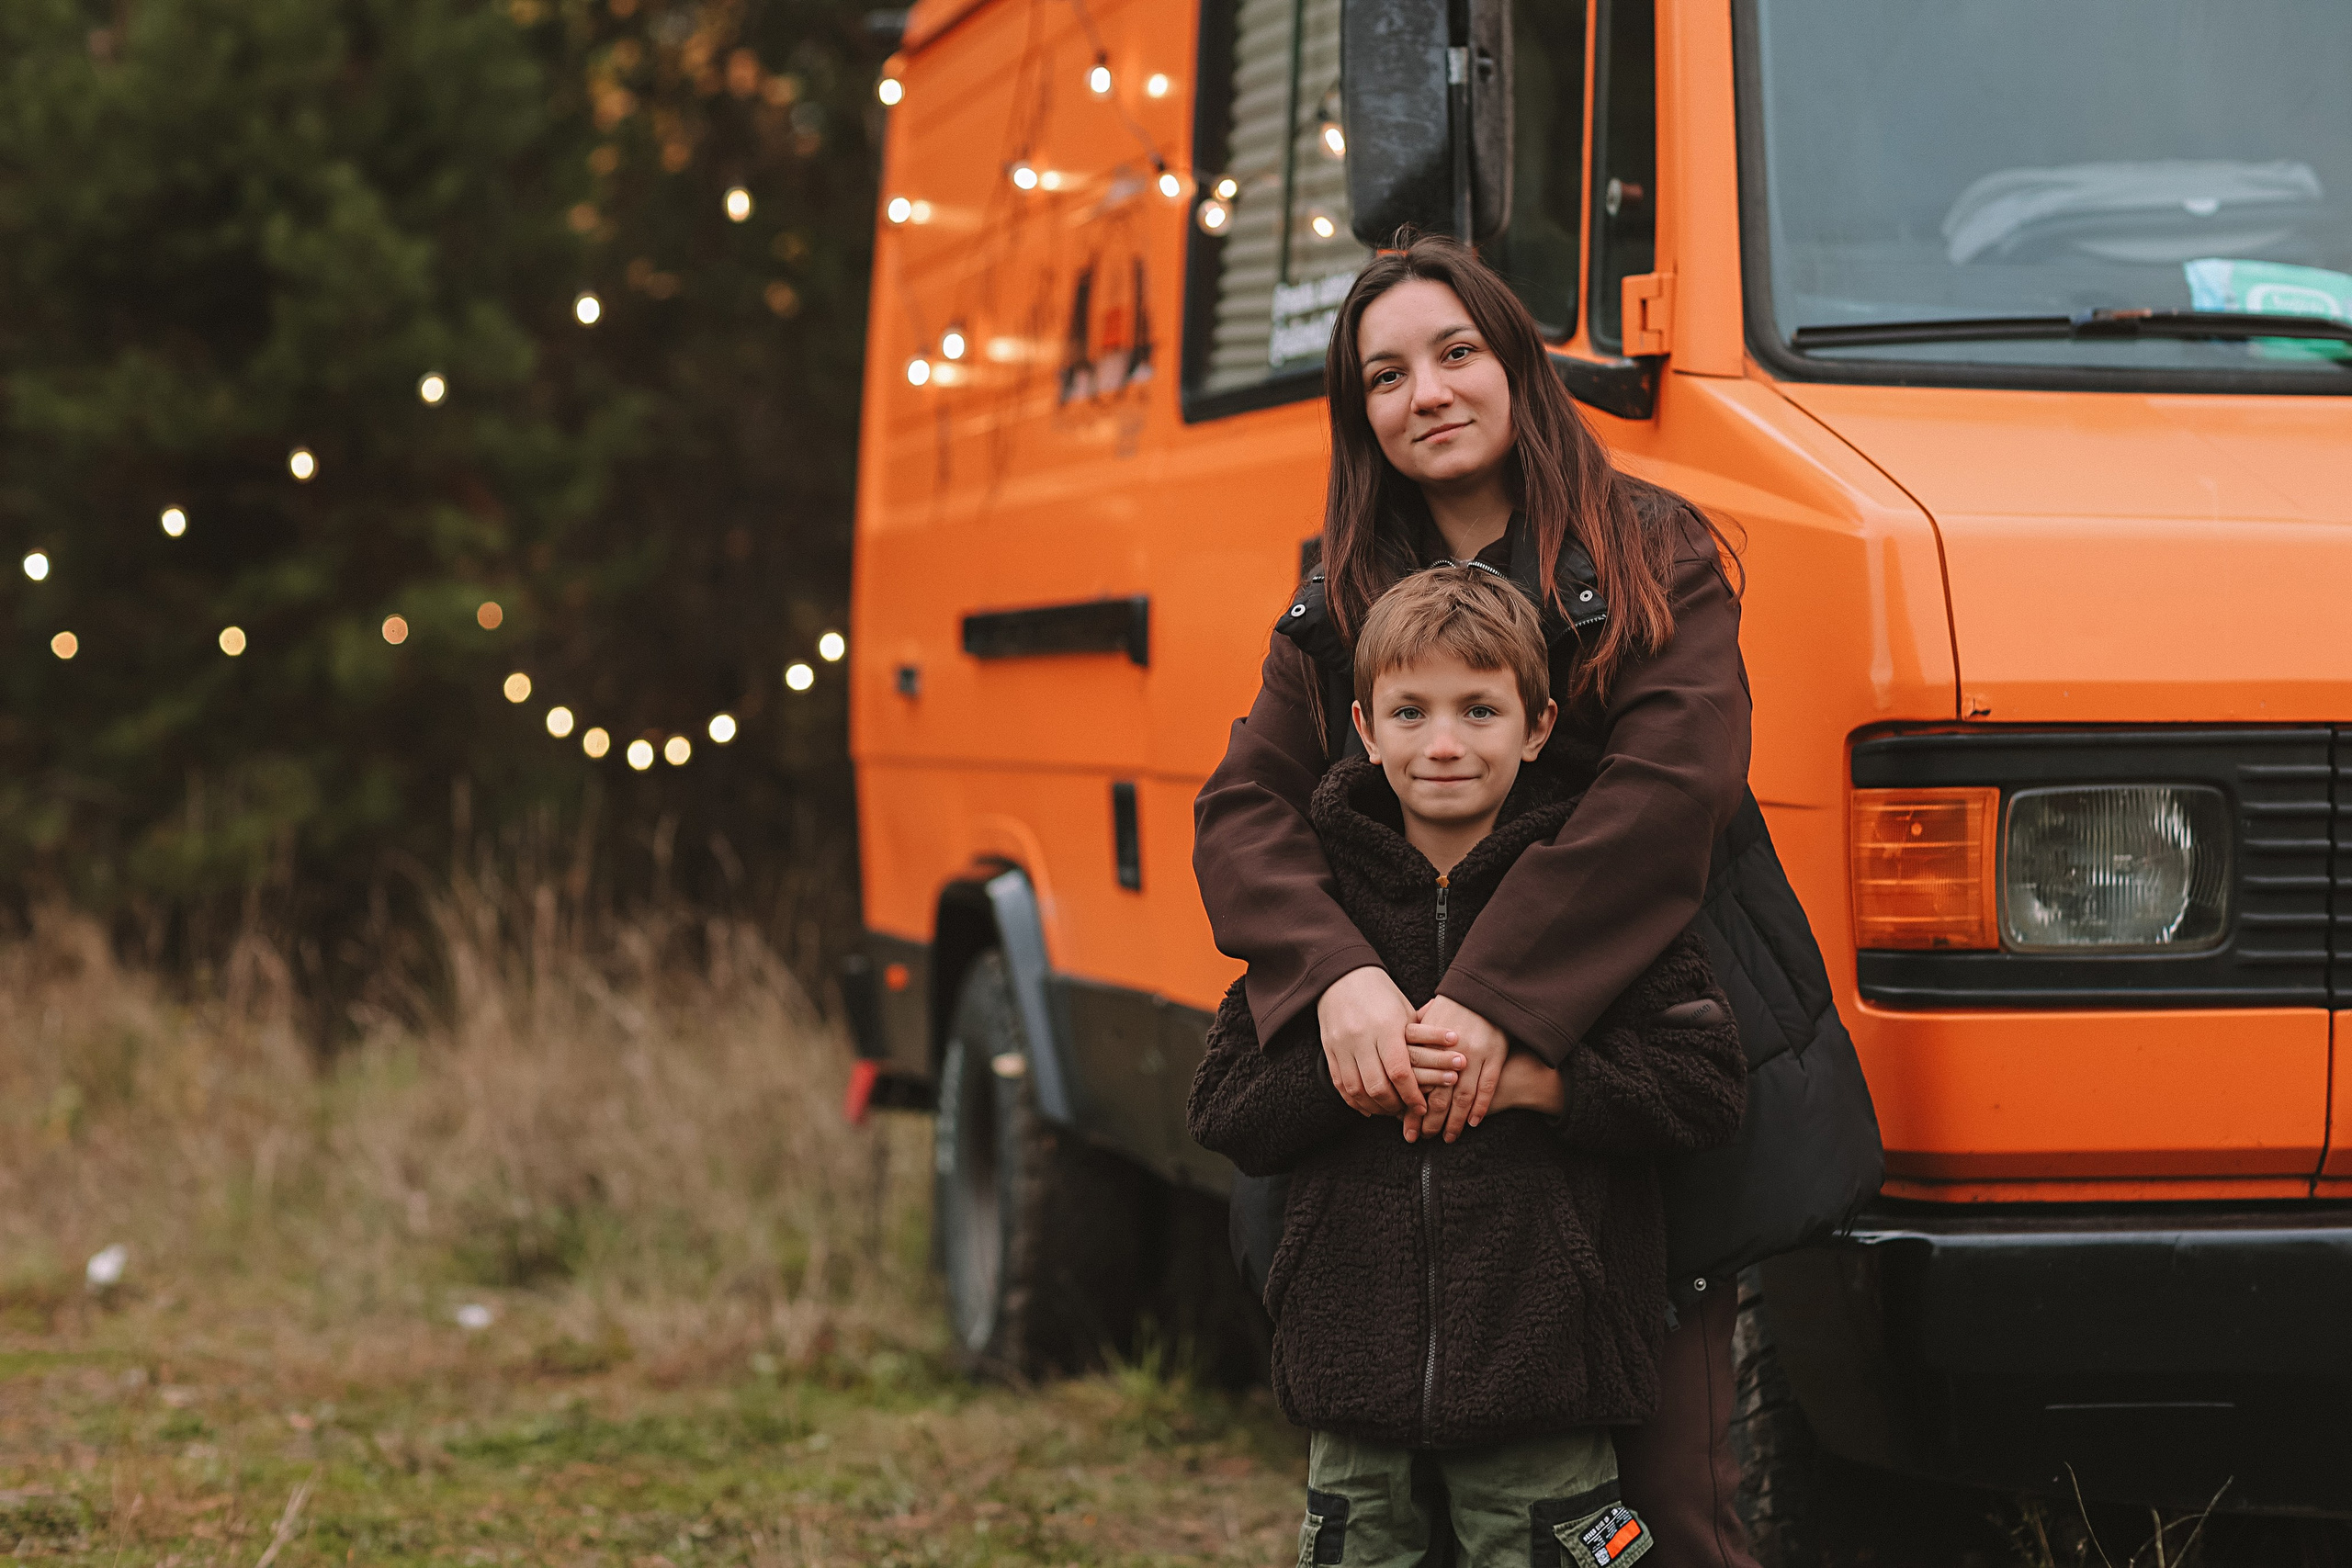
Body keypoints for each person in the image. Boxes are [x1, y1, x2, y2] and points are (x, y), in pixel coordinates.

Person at [1193, 231, 1883, 1567]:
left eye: (1455, 352)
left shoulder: (1654, 554)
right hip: (1405, 1132)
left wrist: (1494, 1004)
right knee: (1432, 1513)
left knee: (1662, 1503)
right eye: (1385, 374)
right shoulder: (1339, 596)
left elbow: (1666, 800)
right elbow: (1245, 809)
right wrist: (1338, 976)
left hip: (1625, 1078)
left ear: (1515, 363)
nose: (1427, 392)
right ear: (1359, 412)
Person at [1186, 565, 1747, 1566]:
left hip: (1548, 1380)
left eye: (1479, 710)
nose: (1443, 744)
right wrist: (1356, 1069)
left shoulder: (1589, 896)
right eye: (1410, 712)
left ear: (1538, 727)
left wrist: (1546, 1083)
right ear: (1364, 729)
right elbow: (1224, 1103)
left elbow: (1703, 1086)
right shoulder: (1326, 900)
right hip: (1351, 1382)